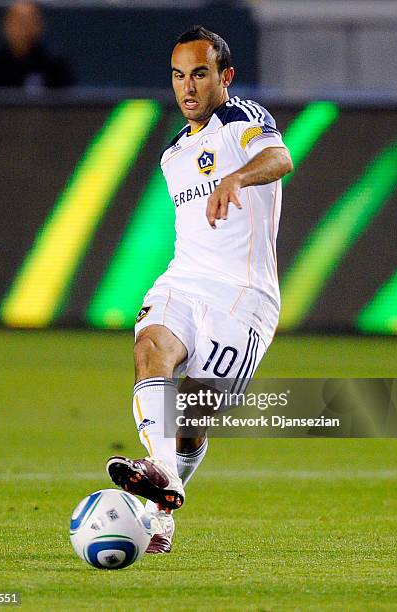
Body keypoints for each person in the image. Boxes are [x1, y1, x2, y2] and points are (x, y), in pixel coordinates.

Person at [106, 25, 293, 553]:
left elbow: (281, 159)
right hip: (184, 280)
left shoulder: (243, 119)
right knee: (149, 349)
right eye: (178, 76)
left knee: (190, 419)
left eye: (200, 74)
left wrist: (236, 179)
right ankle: (160, 473)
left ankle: (159, 506)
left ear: (224, 77)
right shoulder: (172, 155)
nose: (187, 87)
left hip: (243, 297)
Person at [0, 0, 73, 89]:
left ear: (40, 25)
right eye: (18, 21)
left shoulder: (55, 66)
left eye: (30, 21)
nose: (24, 27)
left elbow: (71, 104)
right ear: (5, 25)